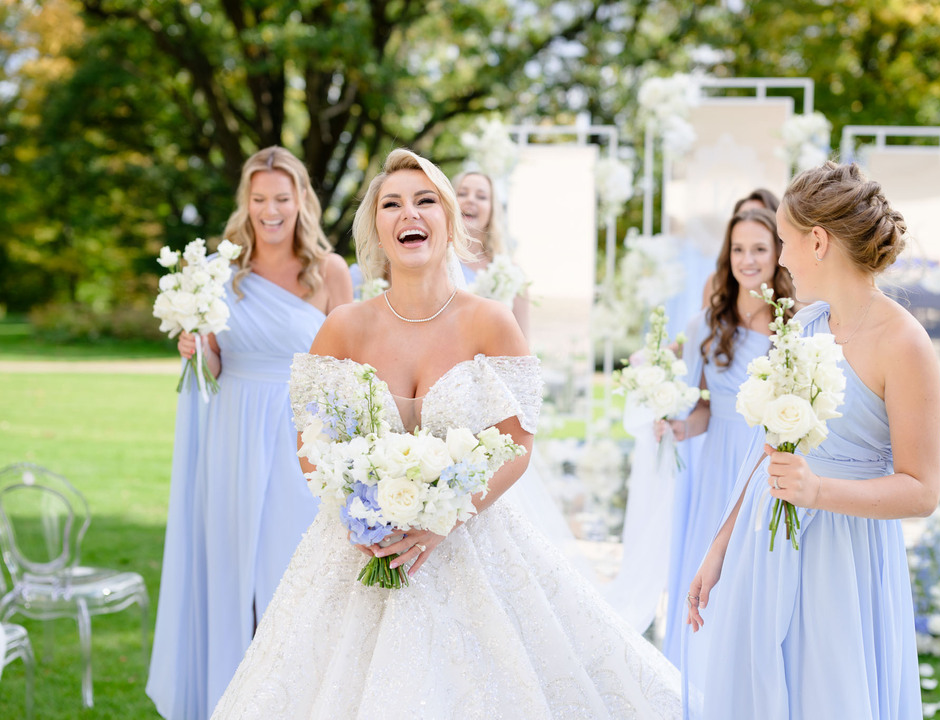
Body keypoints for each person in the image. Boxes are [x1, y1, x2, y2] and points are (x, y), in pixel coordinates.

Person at [210, 148, 680, 719]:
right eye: (392, 204)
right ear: (377, 228)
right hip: (359, 550)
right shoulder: (343, 328)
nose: (410, 213)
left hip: (469, 543)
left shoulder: (490, 321)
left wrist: (441, 522)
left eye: (425, 200)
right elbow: (313, 447)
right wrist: (358, 514)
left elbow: (519, 443)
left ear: (450, 221)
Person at [682, 162, 940, 719]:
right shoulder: (800, 326)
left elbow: (922, 491)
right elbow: (763, 450)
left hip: (845, 558)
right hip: (767, 543)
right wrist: (720, 546)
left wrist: (818, 491)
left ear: (817, 241)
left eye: (782, 241)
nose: (777, 259)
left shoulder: (904, 343)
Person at [147, 146, 353, 720]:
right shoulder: (223, 271)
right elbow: (214, 370)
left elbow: (348, 367)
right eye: (259, 199)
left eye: (281, 199)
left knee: (295, 573)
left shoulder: (330, 271)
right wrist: (197, 346)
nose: (270, 210)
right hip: (234, 436)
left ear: (301, 201)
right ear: (248, 202)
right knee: (238, 574)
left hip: (303, 436)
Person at [656, 207, 794, 665]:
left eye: (759, 248)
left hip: (765, 464)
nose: (747, 259)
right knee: (706, 573)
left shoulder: (790, 324)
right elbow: (702, 411)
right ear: (726, 255)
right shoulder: (706, 325)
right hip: (717, 465)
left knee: (753, 577)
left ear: (778, 253)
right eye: (738, 249)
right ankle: (698, 674)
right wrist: (678, 427)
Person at [454, 170, 530, 336]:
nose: (470, 199)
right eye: (462, 193)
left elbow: (523, 344)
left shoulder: (511, 273)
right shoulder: (436, 263)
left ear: (492, 210)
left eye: (481, 196)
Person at [699, 188, 780, 308]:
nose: (751, 221)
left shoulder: (797, 292)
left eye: (761, 214)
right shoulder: (717, 283)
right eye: (744, 215)